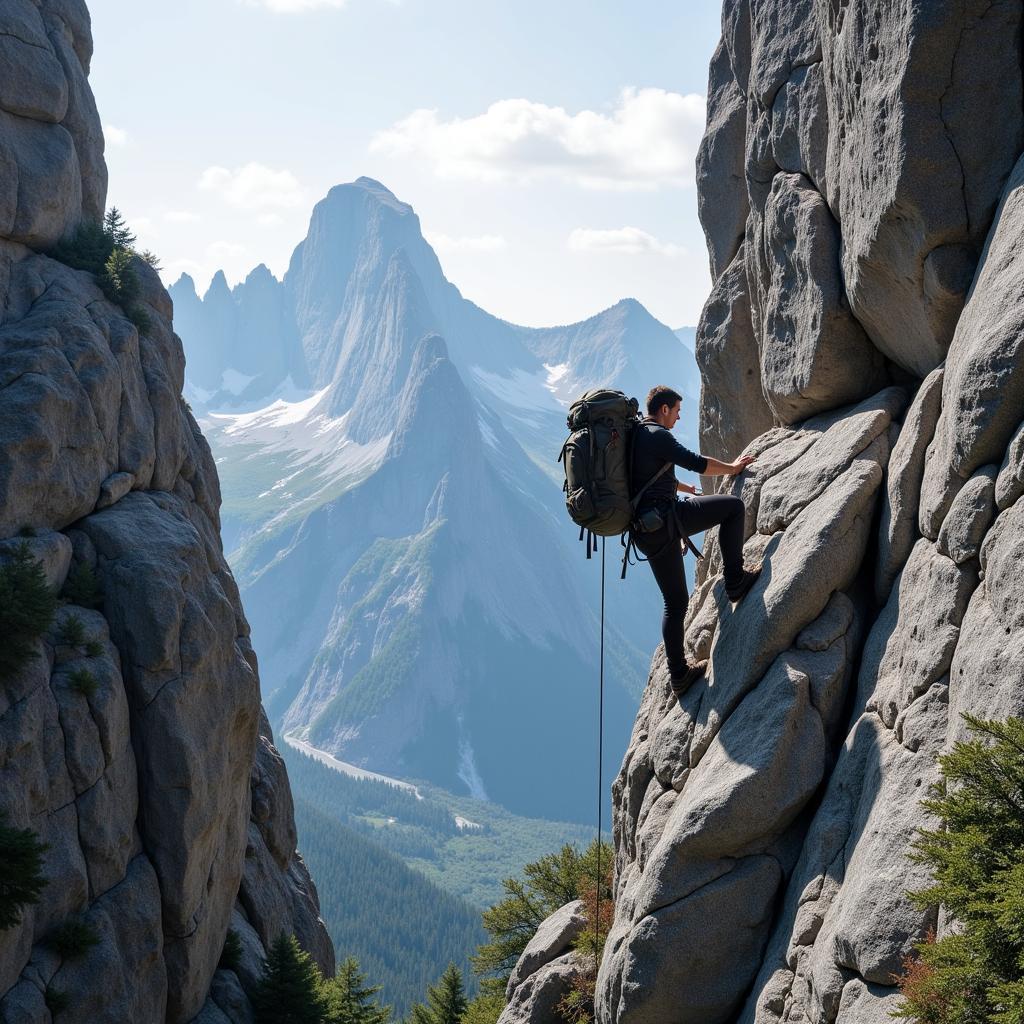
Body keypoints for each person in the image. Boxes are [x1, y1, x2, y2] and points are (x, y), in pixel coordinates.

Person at [631, 385, 760, 700]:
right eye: (676, 411)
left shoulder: (636, 436)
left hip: (645, 531)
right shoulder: (659, 436)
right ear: (664, 410)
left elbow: (652, 475)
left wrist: (687, 489)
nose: (677, 417)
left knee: (674, 604)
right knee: (733, 507)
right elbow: (696, 461)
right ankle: (735, 581)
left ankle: (679, 676)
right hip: (666, 520)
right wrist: (732, 468)